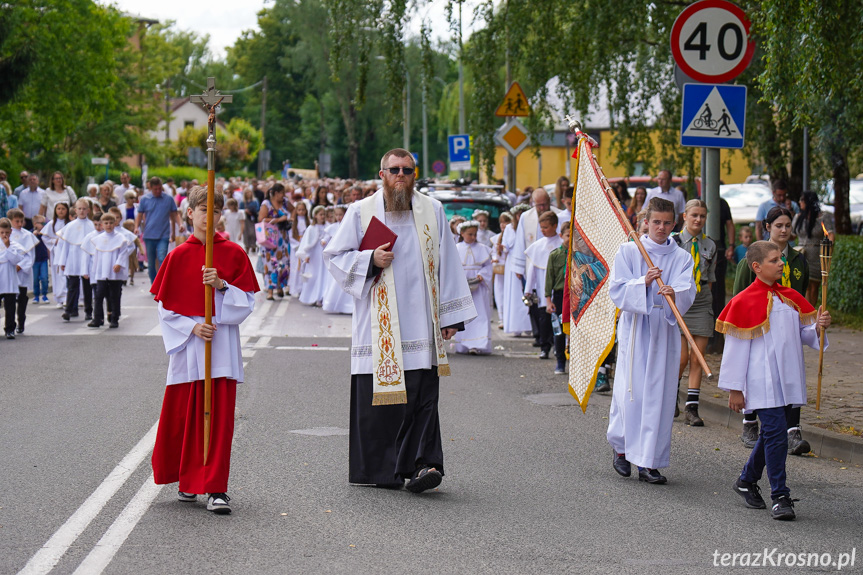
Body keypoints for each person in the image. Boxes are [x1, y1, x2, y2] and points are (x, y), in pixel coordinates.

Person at [323, 148, 476, 493]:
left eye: (408, 169)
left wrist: (450, 317)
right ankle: (381, 469)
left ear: (415, 174)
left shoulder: (431, 210)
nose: (401, 175)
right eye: (394, 169)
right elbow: (334, 258)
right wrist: (369, 258)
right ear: (382, 175)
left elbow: (449, 262)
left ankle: (424, 465)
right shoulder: (360, 212)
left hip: (421, 322)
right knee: (382, 399)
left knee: (423, 396)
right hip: (380, 328)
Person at [150, 186, 259, 515]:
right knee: (186, 415)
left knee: (219, 417)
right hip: (191, 345)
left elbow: (248, 301)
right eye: (202, 210)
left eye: (214, 210)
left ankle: (215, 488)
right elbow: (165, 308)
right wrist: (192, 327)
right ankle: (187, 479)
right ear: (189, 213)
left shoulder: (234, 253)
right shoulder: (178, 255)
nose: (207, 216)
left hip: (221, 344)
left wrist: (222, 286)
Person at [718, 241, 831, 521]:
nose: (781, 263)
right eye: (774, 260)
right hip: (760, 381)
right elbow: (735, 350)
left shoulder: (790, 297)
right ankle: (780, 495)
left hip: (787, 379)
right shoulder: (743, 301)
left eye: (781, 258)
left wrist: (818, 326)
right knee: (778, 434)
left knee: (772, 434)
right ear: (757, 267)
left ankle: (746, 480)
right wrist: (735, 388)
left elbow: (804, 335)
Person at [607, 197, 696, 484]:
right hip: (636, 328)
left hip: (664, 329)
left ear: (675, 223)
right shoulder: (630, 251)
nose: (661, 228)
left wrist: (673, 293)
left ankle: (649, 461)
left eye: (667, 223)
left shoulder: (681, 257)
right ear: (646, 221)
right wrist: (642, 283)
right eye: (656, 222)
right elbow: (617, 289)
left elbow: (687, 290)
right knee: (631, 392)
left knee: (659, 394)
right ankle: (622, 449)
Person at [733, 206, 812, 455]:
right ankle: (749, 422)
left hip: (788, 328)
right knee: (758, 376)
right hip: (758, 327)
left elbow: (803, 293)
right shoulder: (753, 258)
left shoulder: (798, 260)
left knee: (792, 372)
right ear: (768, 227)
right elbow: (739, 295)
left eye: (788, 225)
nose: (784, 230)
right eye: (779, 225)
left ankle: (792, 431)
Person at [673, 200, 717, 427]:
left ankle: (692, 407)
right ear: (685, 216)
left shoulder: (710, 245)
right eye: (694, 215)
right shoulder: (674, 242)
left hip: (700, 303)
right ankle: (672, 396)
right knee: (680, 358)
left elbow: (710, 278)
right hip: (679, 303)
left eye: (702, 215)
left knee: (697, 358)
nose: (698, 220)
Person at [512, 188, 562, 345]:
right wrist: (519, 268)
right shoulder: (526, 217)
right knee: (534, 300)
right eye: (539, 205)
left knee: (553, 299)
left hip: (554, 266)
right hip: (533, 264)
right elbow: (520, 242)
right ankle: (539, 335)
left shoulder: (557, 215)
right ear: (533, 203)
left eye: (544, 204)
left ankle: (554, 337)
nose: (542, 208)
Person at [524, 211, 563, 359]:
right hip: (542, 287)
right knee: (543, 319)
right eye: (541, 227)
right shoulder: (538, 246)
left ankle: (556, 345)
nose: (543, 230)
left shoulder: (560, 244)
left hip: (557, 287)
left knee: (558, 318)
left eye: (546, 227)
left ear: (554, 226)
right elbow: (533, 268)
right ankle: (544, 346)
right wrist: (529, 288)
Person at [83, 213, 132, 328]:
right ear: (102, 224)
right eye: (106, 223)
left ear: (115, 223)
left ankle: (114, 318)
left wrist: (119, 263)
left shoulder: (120, 238)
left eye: (111, 223)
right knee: (98, 296)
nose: (108, 225)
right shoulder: (98, 239)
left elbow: (123, 252)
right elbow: (96, 256)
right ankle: (97, 319)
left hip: (115, 272)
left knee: (114, 296)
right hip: (102, 271)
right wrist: (94, 270)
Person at [454, 220, 493, 355]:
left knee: (479, 314)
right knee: (465, 316)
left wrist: (482, 275)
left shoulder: (483, 248)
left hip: (478, 287)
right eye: (470, 234)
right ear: (462, 233)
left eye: (475, 234)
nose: (473, 237)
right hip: (463, 287)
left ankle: (478, 344)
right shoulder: (456, 248)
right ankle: (463, 344)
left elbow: (488, 266)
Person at [792, 191, 834, 306]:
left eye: (802, 200)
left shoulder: (822, 217)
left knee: (814, 285)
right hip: (801, 253)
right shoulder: (798, 217)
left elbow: (830, 234)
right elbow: (792, 234)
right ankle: (805, 311)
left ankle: (812, 311)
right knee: (804, 284)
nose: (800, 202)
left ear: (808, 202)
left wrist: (828, 249)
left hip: (816, 254)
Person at [135, 177, 180, 284]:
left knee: (161, 258)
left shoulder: (168, 199)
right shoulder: (145, 199)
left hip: (163, 235)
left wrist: (180, 224)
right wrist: (136, 227)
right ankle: (154, 283)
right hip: (149, 235)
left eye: (160, 188)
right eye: (155, 189)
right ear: (151, 188)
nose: (158, 191)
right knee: (151, 263)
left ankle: (162, 284)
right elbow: (140, 215)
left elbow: (174, 214)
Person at [57, 199, 96, 322]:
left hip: (87, 258)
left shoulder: (92, 226)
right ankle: (69, 310)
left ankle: (88, 311)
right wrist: (62, 262)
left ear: (88, 210)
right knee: (72, 286)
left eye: (84, 209)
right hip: (73, 258)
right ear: (75, 210)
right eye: (79, 209)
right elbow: (65, 245)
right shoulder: (70, 226)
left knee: (87, 287)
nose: (82, 211)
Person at [545, 222, 571, 375]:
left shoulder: (579, 254)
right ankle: (560, 361)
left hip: (574, 295)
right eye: (568, 235)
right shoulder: (555, 255)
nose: (570, 238)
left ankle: (575, 362)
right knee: (559, 331)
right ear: (561, 236)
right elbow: (549, 278)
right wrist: (549, 300)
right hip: (560, 295)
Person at [258, 183, 291, 301]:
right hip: (270, 237)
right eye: (282, 193)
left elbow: (295, 210)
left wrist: (291, 218)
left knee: (283, 263)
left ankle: (280, 287)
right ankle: (270, 290)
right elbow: (261, 219)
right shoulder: (266, 204)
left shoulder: (285, 202)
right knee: (270, 264)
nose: (283, 195)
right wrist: (278, 219)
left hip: (283, 237)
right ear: (276, 193)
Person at [503, 204, 532, 336]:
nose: (520, 217)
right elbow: (506, 246)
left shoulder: (529, 226)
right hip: (513, 262)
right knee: (515, 294)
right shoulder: (510, 228)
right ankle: (516, 326)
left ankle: (529, 326)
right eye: (518, 214)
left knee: (528, 292)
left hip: (527, 260)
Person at [7, 209, 37, 333]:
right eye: (16, 221)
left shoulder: (27, 235)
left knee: (22, 298)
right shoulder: (6, 234)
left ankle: (21, 321)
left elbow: (30, 255)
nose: (19, 224)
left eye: (21, 221)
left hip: (22, 272)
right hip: (10, 271)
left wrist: (20, 266)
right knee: (10, 299)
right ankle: (11, 323)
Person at [321, 205, 353, 314]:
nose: (339, 217)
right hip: (335, 256)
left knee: (346, 280)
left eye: (341, 215)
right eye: (337, 215)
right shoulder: (333, 227)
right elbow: (326, 237)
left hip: (345, 255)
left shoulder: (349, 226)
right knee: (335, 281)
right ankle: (333, 304)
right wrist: (324, 241)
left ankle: (346, 305)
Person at [297, 205, 328, 307]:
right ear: (315, 216)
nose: (322, 216)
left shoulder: (327, 226)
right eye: (320, 214)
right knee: (314, 275)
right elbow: (307, 242)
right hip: (314, 255)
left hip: (323, 254)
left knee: (323, 275)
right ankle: (311, 296)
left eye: (324, 214)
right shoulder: (311, 228)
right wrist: (307, 254)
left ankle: (321, 297)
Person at [41, 201, 71, 307]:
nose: (61, 211)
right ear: (55, 211)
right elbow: (45, 237)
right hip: (57, 251)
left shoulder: (70, 223)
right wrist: (54, 241)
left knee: (67, 274)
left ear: (67, 210)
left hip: (68, 252)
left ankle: (68, 296)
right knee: (58, 274)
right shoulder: (51, 224)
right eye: (59, 209)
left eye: (63, 209)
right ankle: (60, 298)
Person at [0, 218, 25, 339]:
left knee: (10, 307)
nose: (4, 235)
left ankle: (10, 329)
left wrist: (7, 246)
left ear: (11, 232)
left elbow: (16, 259)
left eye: (6, 233)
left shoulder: (15, 245)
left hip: (9, 280)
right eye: (1, 233)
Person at [490, 212, 513, 329]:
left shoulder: (512, 236)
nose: (503, 225)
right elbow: (493, 253)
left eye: (506, 222)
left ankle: (509, 318)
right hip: (499, 270)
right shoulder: (495, 238)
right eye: (502, 222)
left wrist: (503, 250)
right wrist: (495, 258)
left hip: (508, 269)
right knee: (499, 294)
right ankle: (501, 318)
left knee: (508, 294)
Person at [288, 200, 308, 298]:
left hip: (305, 247)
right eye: (299, 210)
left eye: (303, 210)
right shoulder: (293, 223)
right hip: (296, 247)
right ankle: (295, 288)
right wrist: (297, 245)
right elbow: (291, 236)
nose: (301, 212)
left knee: (304, 268)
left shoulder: (308, 222)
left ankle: (304, 289)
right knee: (296, 268)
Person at [31, 215, 50, 304]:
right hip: (35, 260)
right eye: (42, 223)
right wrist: (34, 235)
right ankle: (36, 295)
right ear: (35, 224)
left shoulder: (45, 234)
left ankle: (45, 294)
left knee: (44, 277)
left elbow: (48, 246)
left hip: (43, 259)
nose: (43, 225)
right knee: (35, 279)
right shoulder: (31, 234)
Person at [241, 188, 259, 254]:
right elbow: (240, 209)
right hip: (245, 218)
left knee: (253, 233)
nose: (248, 194)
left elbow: (257, 209)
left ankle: (253, 245)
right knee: (246, 233)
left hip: (253, 218)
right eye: (247, 193)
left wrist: (251, 211)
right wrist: (245, 210)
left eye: (249, 192)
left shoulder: (255, 201)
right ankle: (247, 246)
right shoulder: (243, 202)